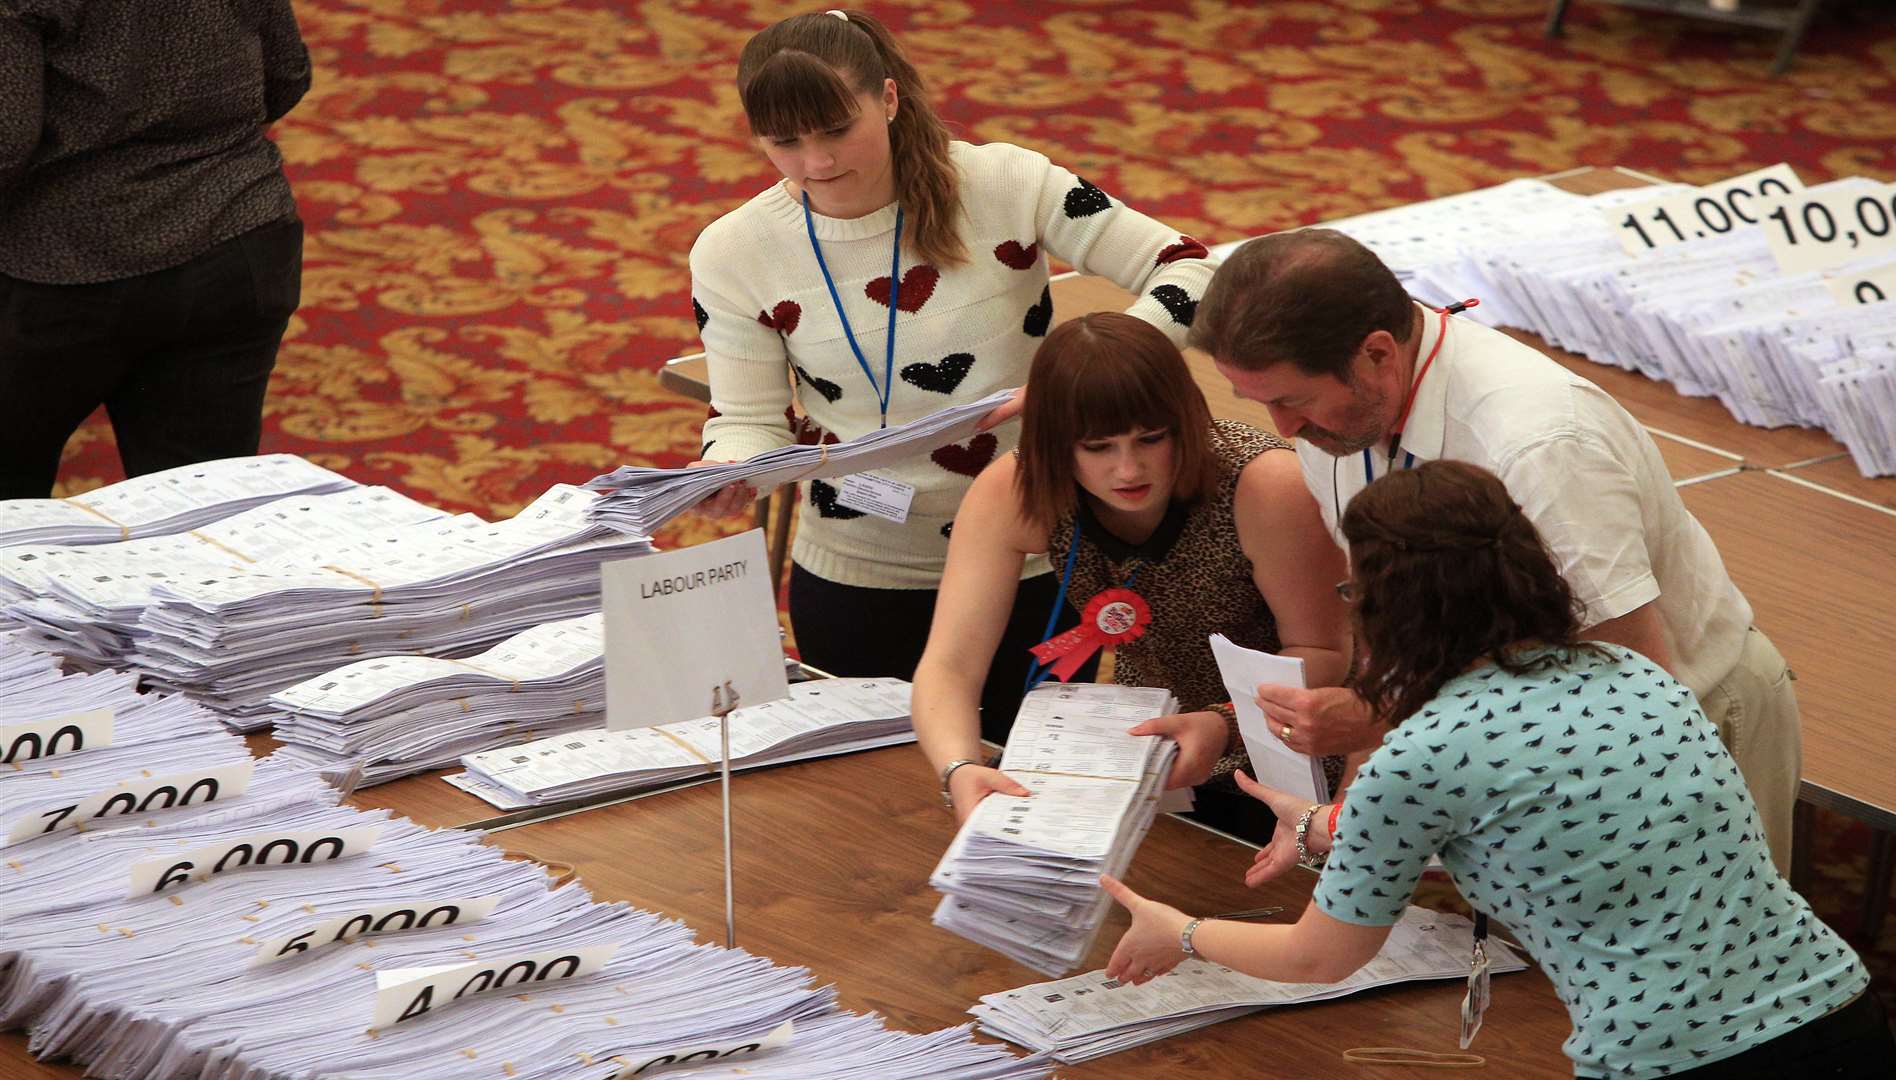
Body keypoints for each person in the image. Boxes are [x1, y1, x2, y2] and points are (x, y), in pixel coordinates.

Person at [1098, 461, 1896, 1080]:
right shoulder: (1631, 671)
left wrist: (1186, 934)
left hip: (1677, 1060)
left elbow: (1320, 958)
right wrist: (1324, 828)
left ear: (1387, 606)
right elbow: (1552, 832)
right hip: (1839, 1009)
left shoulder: (1418, 754)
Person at [1187, 227, 1802, 871]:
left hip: (1677, 729)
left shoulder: (1539, 444)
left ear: (1376, 354)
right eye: (1261, 403)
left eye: (1292, 400)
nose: (1283, 431)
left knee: (1685, 961)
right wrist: (1348, 814)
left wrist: (1388, 720)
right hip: (1522, 731)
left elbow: (1632, 689)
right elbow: (1388, 625)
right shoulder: (1339, 426)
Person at [686, 9, 1214, 736]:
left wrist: (1077, 385)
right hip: (856, 567)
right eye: (784, 143)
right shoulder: (732, 251)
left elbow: (1190, 269)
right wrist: (727, 470)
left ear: (891, 99)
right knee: (873, 810)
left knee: (1026, 785)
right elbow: (744, 419)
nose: (816, 164)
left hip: (1033, 554)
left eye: (838, 130)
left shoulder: (1007, 181)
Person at [911, 313, 1349, 826]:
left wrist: (1226, 723)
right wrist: (959, 767)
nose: (1127, 469)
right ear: (1053, 444)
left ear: (1185, 421)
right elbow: (950, 665)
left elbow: (1324, 655)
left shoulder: (1265, 484)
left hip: (1297, 741)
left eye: (1151, 439)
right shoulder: (1018, 487)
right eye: (1097, 448)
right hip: (1152, 748)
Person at [0, 0, 309, 498]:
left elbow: (5, 143)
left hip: (59, 267)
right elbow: (287, 74)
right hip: (238, 236)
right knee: (199, 524)